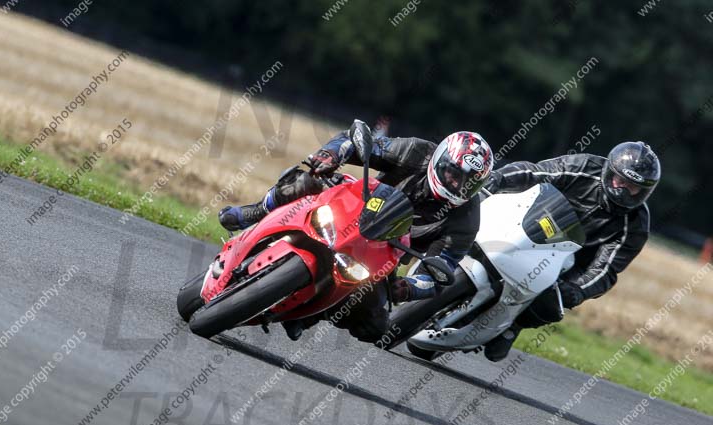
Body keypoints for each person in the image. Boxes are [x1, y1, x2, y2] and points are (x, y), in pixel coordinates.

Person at [218, 125, 494, 342]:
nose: (456, 184)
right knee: (309, 180)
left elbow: (440, 271)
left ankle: (311, 312)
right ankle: (257, 211)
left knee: (375, 326)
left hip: (385, 252)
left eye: (466, 183)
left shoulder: (467, 219)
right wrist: (331, 155)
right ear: (441, 160)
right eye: (453, 174)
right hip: (355, 204)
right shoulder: (416, 151)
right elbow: (357, 142)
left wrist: (409, 288)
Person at [482, 141, 661, 361]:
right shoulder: (584, 166)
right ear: (610, 171)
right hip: (532, 221)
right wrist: (498, 178)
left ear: (644, 192)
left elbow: (607, 269)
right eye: (620, 180)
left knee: (553, 304)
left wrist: (579, 289)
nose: (623, 189)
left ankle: (513, 327)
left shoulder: (636, 225)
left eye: (632, 187)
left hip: (569, 260)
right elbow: (536, 171)